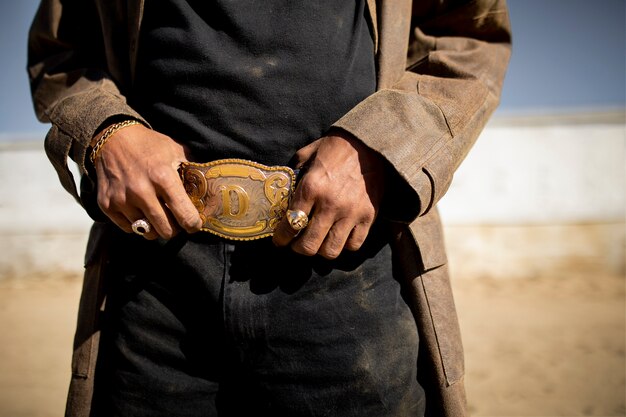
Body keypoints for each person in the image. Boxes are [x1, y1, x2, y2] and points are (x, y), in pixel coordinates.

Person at [28, 1, 511, 416]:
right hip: (153, 287)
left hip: (349, 276)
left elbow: (467, 33)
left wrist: (381, 148)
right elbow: (63, 52)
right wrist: (105, 131)